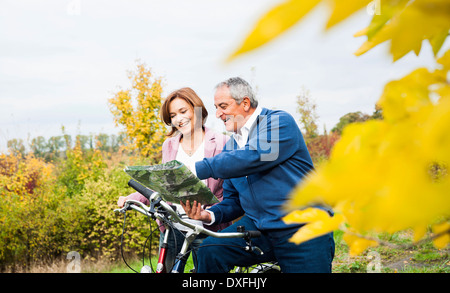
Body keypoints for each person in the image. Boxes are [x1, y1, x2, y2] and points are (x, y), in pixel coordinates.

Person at [181, 77, 335, 273]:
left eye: (223, 106)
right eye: (216, 107)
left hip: (303, 228)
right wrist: (209, 214)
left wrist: (195, 169)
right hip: (260, 230)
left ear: (245, 103)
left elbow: (254, 156)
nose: (218, 114)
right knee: (210, 250)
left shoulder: (278, 122)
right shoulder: (231, 146)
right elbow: (233, 201)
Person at [117, 87, 231, 272]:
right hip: (173, 224)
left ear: (197, 109)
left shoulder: (221, 142)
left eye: (183, 111)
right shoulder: (169, 145)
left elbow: (231, 191)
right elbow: (163, 185)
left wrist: (211, 212)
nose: (178, 119)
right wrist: (133, 198)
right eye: (172, 115)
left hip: (207, 227)